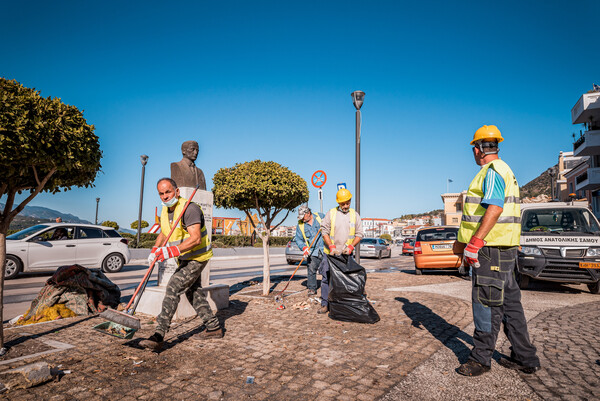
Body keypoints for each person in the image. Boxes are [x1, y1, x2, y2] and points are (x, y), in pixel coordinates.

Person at [456, 125, 540, 376]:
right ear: (495, 145)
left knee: (486, 304)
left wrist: (474, 243)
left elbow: (494, 208)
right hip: (505, 250)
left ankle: (481, 359)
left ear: (477, 149)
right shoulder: (506, 171)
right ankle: (525, 357)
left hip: (490, 250)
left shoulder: (491, 172)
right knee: (511, 305)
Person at [140, 178, 221, 351]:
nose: (165, 196)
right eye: (161, 194)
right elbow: (164, 232)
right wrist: (155, 249)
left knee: (173, 287)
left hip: (197, 257)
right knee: (194, 293)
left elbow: (196, 238)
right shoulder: (166, 210)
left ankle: (159, 335)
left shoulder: (189, 209)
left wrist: (170, 252)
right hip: (184, 258)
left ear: (177, 191)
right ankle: (213, 327)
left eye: (168, 192)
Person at [318, 188, 364, 314]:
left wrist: (351, 247)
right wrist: (331, 246)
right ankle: (325, 304)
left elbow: (359, 234)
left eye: (347, 203)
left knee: (347, 280)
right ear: (338, 203)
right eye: (343, 204)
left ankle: (343, 304)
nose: (345, 206)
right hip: (330, 254)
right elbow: (324, 231)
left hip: (346, 255)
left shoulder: (355, 215)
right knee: (326, 278)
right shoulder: (331, 213)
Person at [294, 205, 324, 296]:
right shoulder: (301, 225)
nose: (302, 219)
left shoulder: (320, 217)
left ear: (308, 213)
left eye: (303, 217)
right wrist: (304, 248)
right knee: (311, 270)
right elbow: (298, 239)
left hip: (325, 249)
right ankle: (312, 288)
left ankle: (330, 287)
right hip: (312, 251)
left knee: (328, 270)